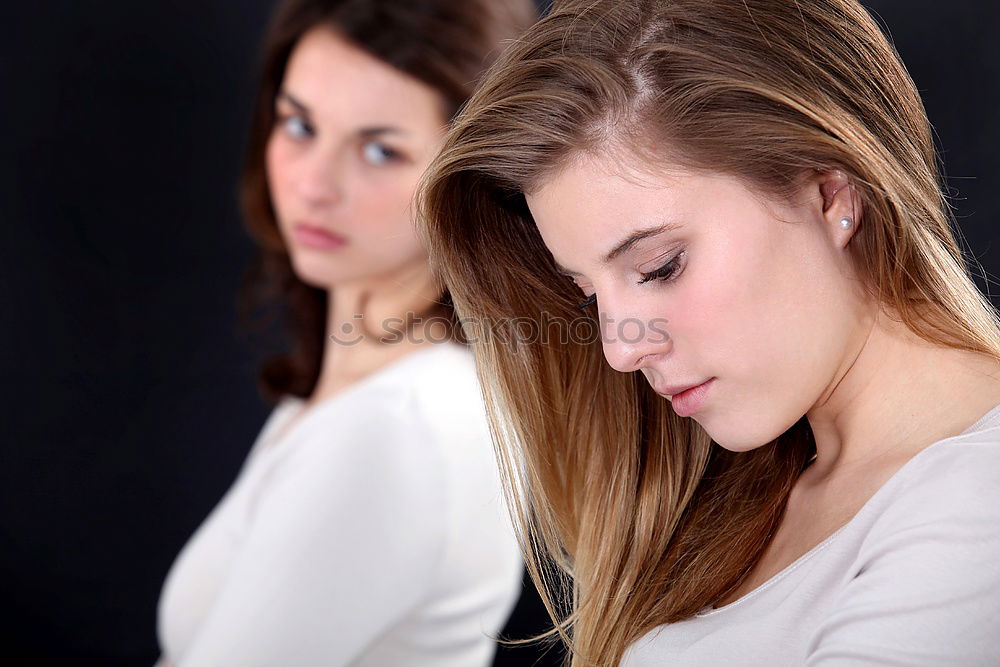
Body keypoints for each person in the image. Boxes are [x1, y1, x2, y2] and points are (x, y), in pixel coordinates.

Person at [417, 0, 1000, 665]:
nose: (620, 348)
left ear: (831, 194)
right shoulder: (747, 489)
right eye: (587, 294)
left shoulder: (978, 498)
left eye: (659, 266)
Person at [155, 1, 537, 665]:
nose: (313, 183)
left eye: (379, 148)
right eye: (299, 124)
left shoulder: (395, 430)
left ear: (471, 172)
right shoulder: (374, 393)